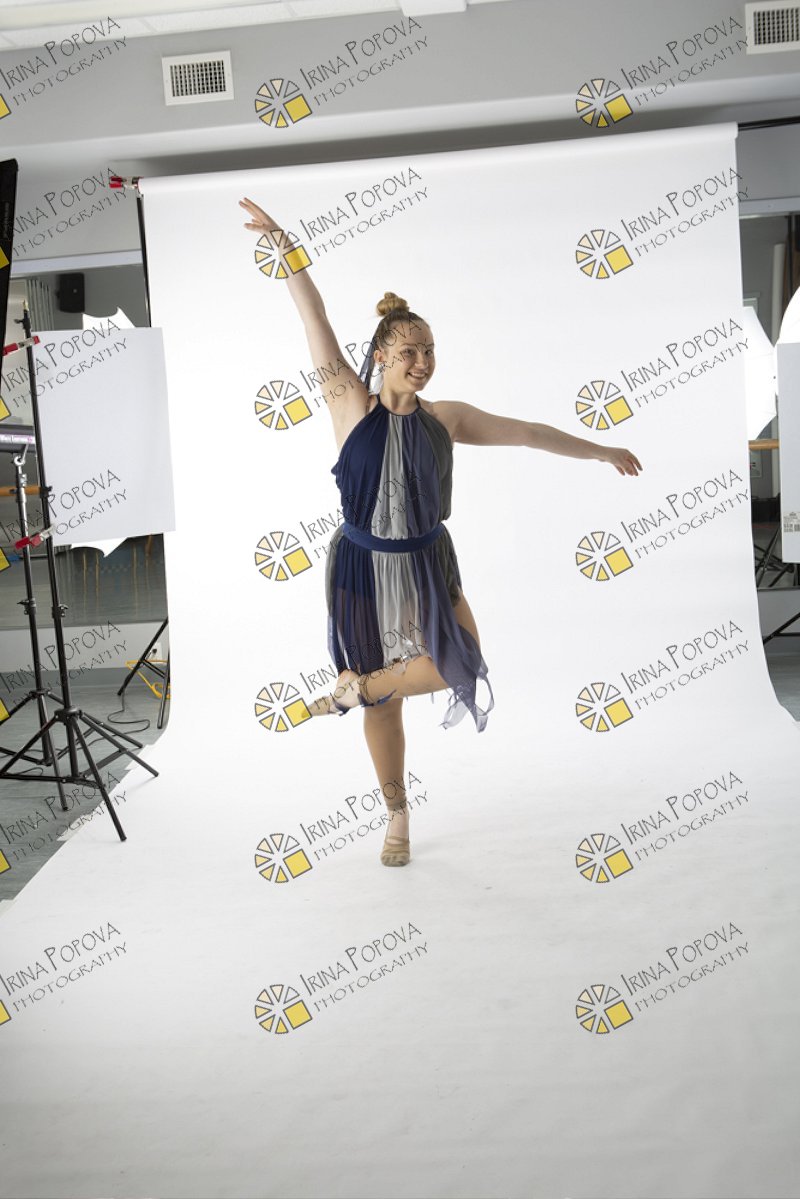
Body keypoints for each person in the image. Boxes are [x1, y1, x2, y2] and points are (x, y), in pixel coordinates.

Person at [240, 196, 642, 869]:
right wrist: (286, 248)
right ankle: (396, 813)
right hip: (364, 567)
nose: (422, 361)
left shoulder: (446, 418)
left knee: (461, 659)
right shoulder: (347, 402)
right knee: (387, 707)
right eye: (409, 351)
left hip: (429, 560)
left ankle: (353, 689)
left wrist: (599, 450)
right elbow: (314, 316)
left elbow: (527, 432)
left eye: (429, 350)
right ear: (380, 355)